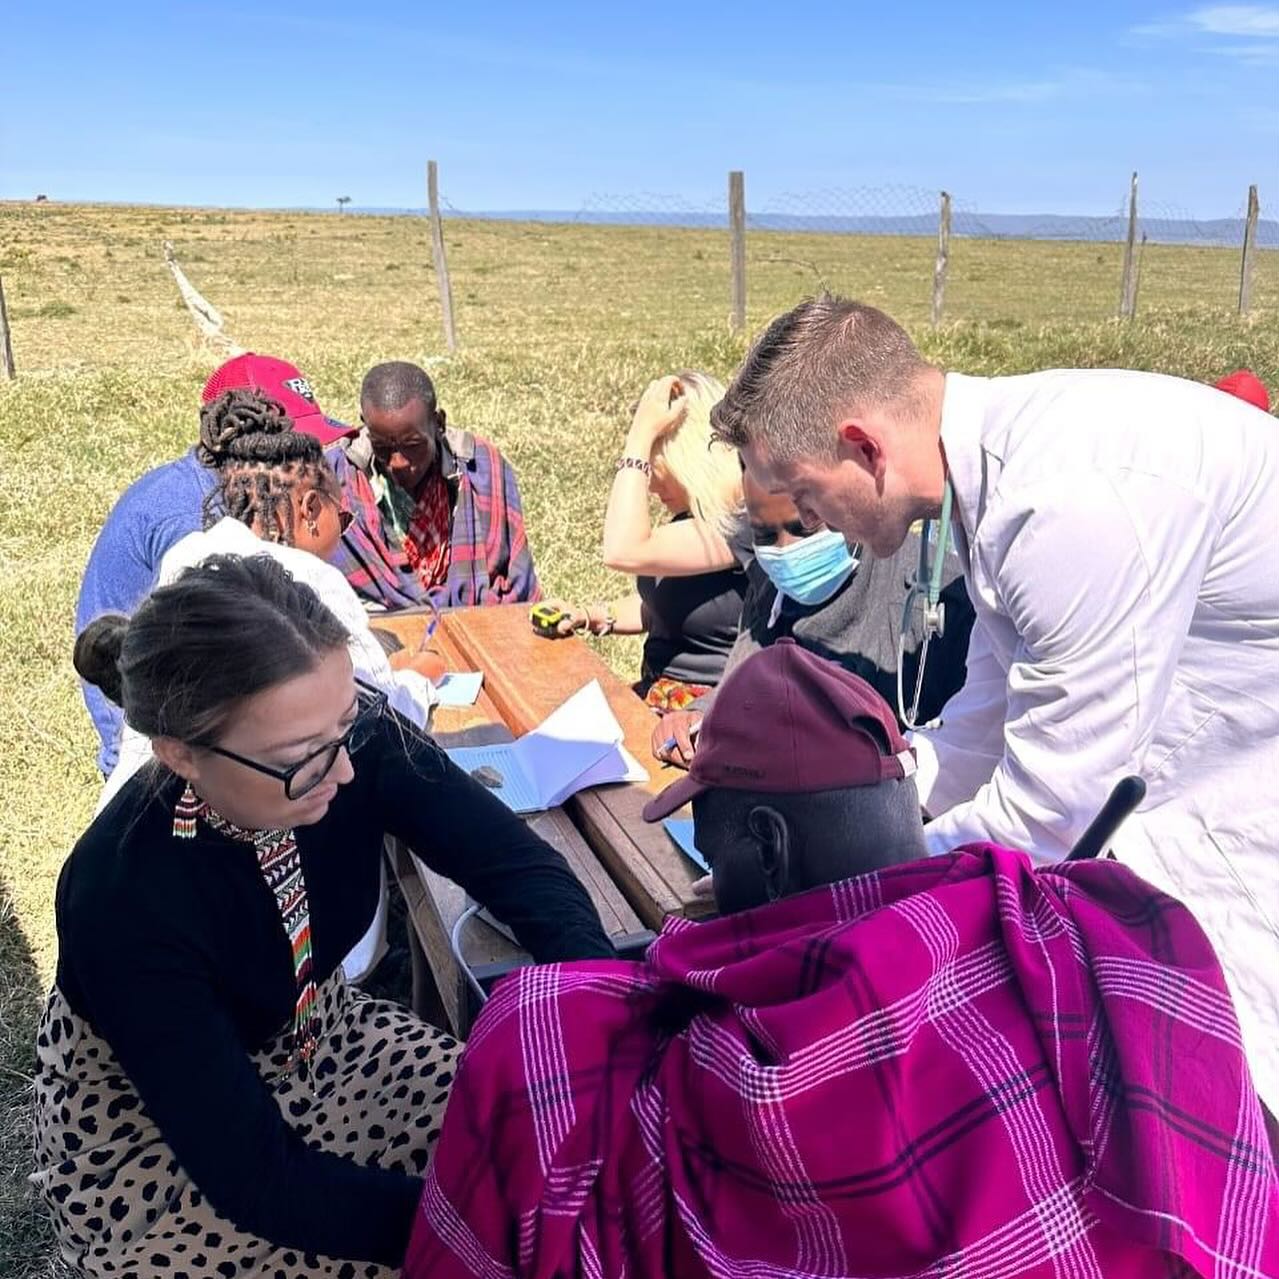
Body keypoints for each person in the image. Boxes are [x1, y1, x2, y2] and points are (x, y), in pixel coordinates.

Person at [403, 642, 1279, 1278]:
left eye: (712, 846)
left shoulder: (586, 1041)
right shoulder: (1085, 942)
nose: (711, 882)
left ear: (767, 845)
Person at [707, 294, 1279, 1121]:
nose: (804, 520)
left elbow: (1050, 816)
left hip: (1237, 788)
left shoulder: (1068, 504)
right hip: (1204, 758)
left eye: (803, 491)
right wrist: (845, 813)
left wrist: (841, 892)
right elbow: (979, 729)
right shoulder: (996, 478)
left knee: (1228, 1089)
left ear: (863, 447)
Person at [36, 555, 614, 1278]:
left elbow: (519, 869)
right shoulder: (121, 897)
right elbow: (257, 1181)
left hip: (324, 1037)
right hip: (155, 1138)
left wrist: (603, 1021)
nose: (343, 770)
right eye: (302, 756)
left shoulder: (348, 741)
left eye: (345, 721)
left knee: (534, 1150)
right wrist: (476, 1225)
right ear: (181, 753)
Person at [75, 352, 355, 775]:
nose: (306, 458)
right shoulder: (193, 524)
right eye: (290, 442)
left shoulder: (230, 490)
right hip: (156, 749)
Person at [652, 466, 972, 764]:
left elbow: (966, 752)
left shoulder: (941, 607)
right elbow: (741, 684)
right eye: (764, 535)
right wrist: (698, 717)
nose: (784, 549)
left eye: (804, 528)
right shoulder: (770, 586)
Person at [537, 373, 748, 710]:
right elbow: (664, 603)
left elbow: (623, 550)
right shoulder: (691, 521)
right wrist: (590, 615)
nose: (647, 484)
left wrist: (639, 436)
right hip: (660, 697)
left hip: (709, 712)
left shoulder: (739, 524)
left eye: (652, 459)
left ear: (687, 453)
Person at [325, 360, 541, 610]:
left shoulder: (480, 467)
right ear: (366, 425)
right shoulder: (337, 478)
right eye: (382, 446)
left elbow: (515, 581)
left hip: (474, 619)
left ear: (438, 423)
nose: (398, 463)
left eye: (413, 445)